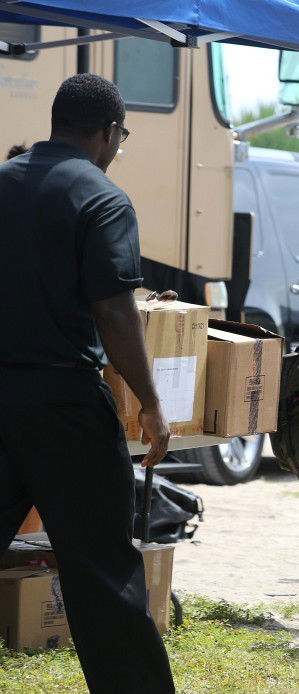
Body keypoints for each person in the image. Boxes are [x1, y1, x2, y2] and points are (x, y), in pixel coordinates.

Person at [0, 74, 174, 692]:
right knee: (102, 569)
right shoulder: (103, 198)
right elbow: (115, 311)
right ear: (107, 132)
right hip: (64, 405)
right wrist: (152, 404)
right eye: (120, 137)